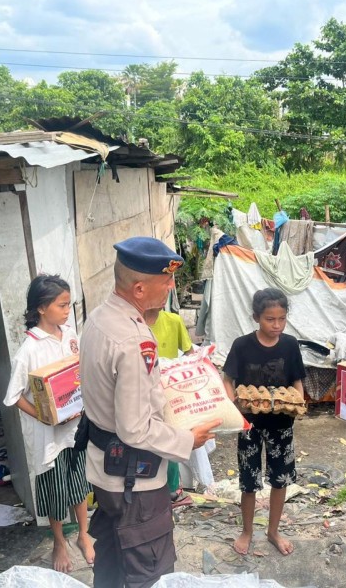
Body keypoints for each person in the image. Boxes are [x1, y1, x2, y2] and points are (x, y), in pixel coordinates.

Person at [80, 236, 221, 588]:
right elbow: (134, 429)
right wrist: (189, 439)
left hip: (104, 468)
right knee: (150, 571)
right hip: (135, 480)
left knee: (111, 557)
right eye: (167, 280)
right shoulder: (134, 341)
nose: (172, 286)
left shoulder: (99, 318)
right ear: (139, 289)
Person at [3, 274, 94, 572]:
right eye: (62, 305)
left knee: (79, 482)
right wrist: (43, 415)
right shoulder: (29, 350)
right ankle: (58, 541)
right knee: (55, 492)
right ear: (42, 308)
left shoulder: (70, 335)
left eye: (69, 305)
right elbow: (13, 396)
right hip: (49, 436)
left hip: (75, 428)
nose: (67, 311)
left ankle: (83, 533)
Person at [222, 287, 306, 557]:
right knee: (249, 481)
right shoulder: (242, 345)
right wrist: (233, 405)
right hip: (249, 425)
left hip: (281, 424)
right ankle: (247, 531)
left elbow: (296, 380)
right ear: (256, 317)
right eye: (270, 319)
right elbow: (228, 379)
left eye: (282, 319)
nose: (277, 325)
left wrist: (297, 403)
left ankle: (273, 531)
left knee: (280, 479)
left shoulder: (290, 345)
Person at [144, 307, 196, 507]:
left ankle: (172, 490)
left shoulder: (173, 321)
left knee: (169, 438)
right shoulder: (132, 324)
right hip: (142, 394)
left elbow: (190, 353)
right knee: (146, 440)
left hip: (169, 392)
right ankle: (152, 492)